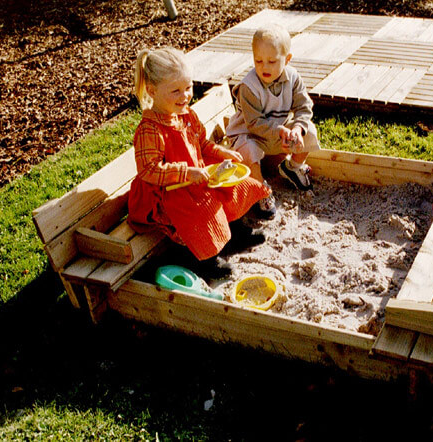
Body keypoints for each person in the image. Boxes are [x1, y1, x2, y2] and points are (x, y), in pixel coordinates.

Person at [127, 47, 271, 278]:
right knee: (201, 210)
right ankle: (204, 260)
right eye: (176, 91)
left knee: (233, 187)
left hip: (195, 176)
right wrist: (187, 172)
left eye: (188, 87)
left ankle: (235, 235)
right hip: (167, 192)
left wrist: (221, 152)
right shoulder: (150, 130)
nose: (185, 96)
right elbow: (149, 170)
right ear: (152, 91)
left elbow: (201, 144)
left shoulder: (185, 114)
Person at [226, 23, 321, 219]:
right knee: (248, 150)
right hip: (250, 135)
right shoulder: (249, 87)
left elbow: (304, 107)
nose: (264, 67)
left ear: (287, 59)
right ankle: (261, 189)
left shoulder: (293, 78)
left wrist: (297, 129)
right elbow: (254, 123)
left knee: (309, 131)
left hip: (279, 134)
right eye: (258, 60)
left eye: (272, 61)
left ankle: (292, 168)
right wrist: (280, 131)